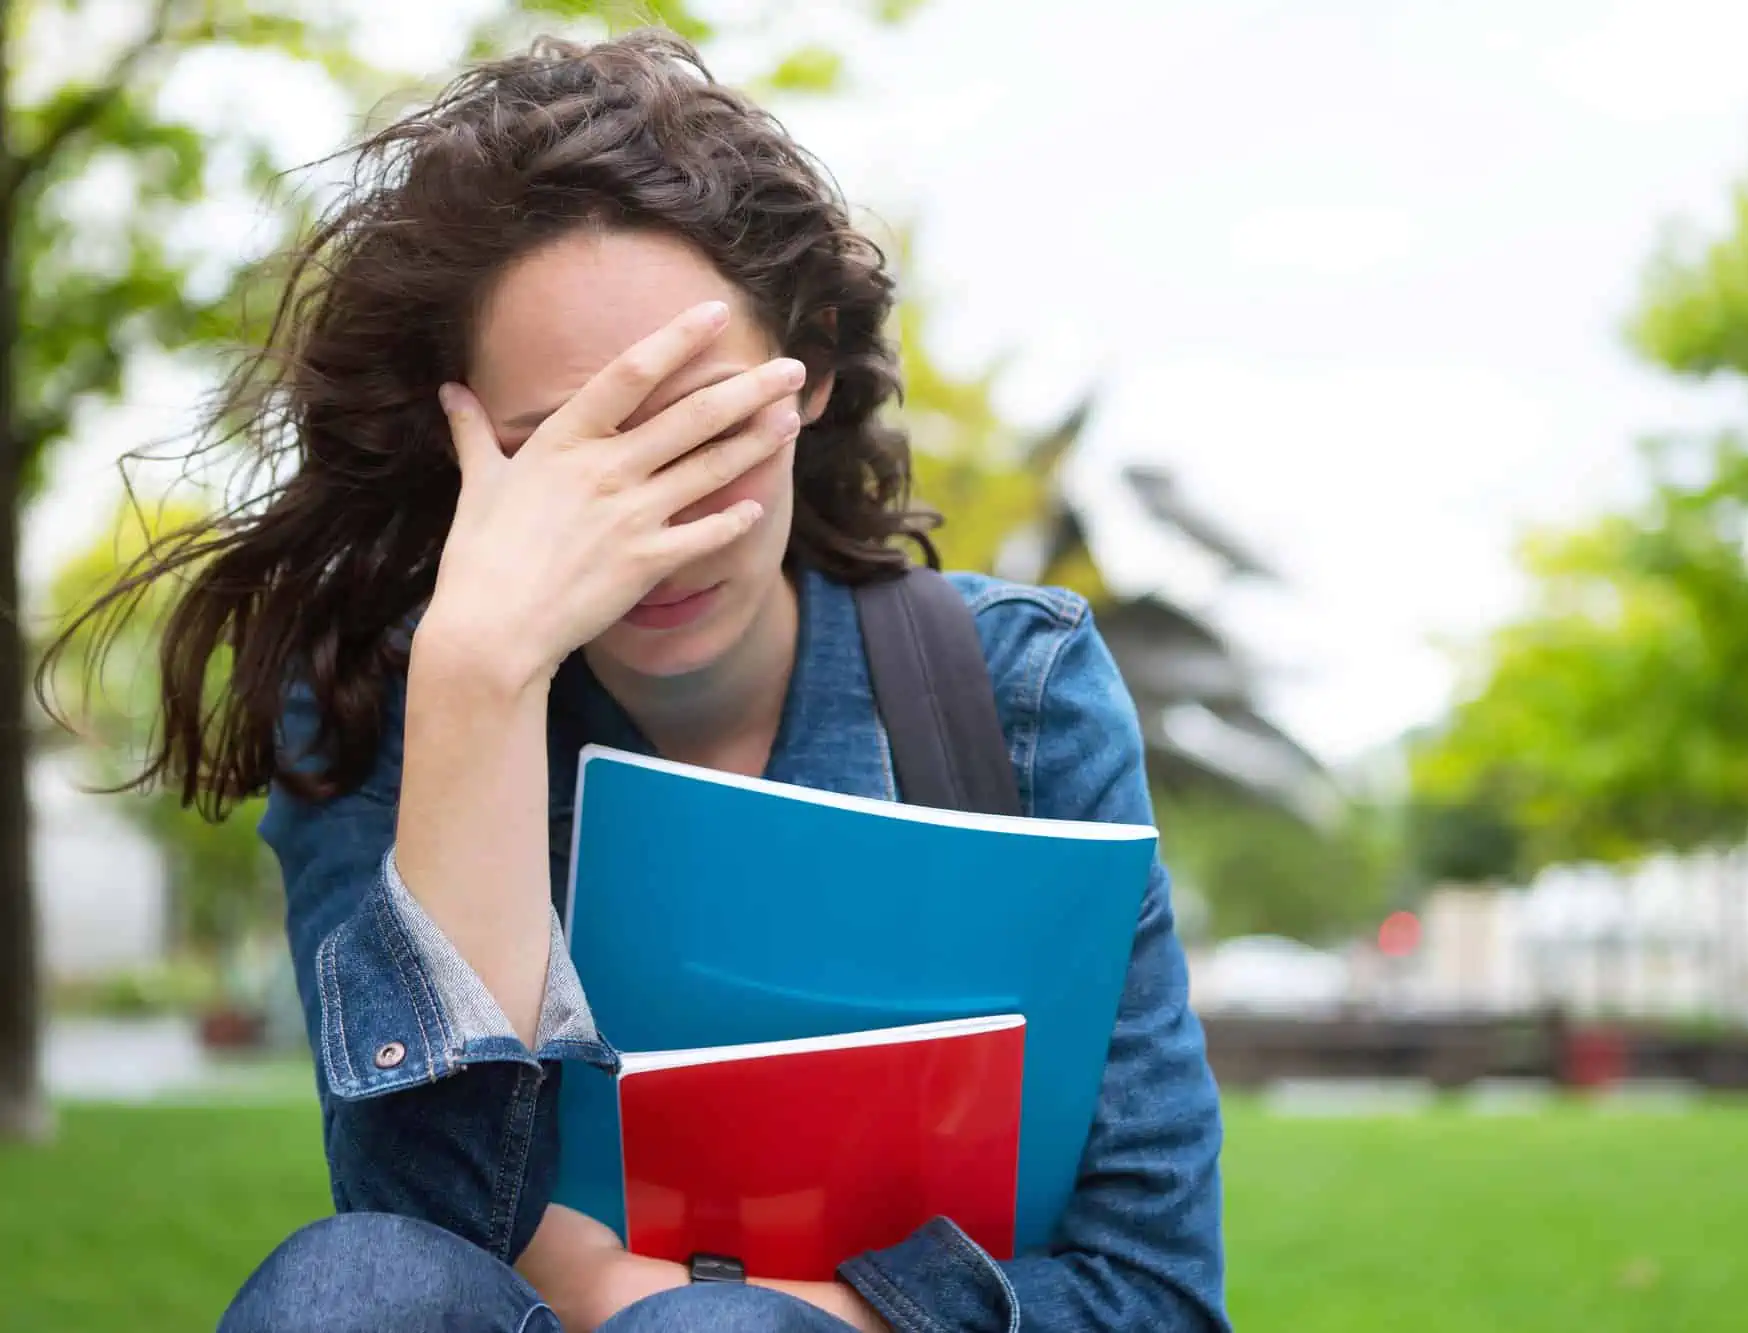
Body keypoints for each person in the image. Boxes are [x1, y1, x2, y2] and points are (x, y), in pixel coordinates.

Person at [47, 28, 1227, 1333]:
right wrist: (478, 686)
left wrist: (680, 1299)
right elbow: (428, 1245)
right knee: (353, 1281)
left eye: (699, 431)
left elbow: (1152, 1293)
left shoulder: (1017, 687)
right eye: (559, 457)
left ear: (811, 384)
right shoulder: (396, 703)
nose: (646, 527)